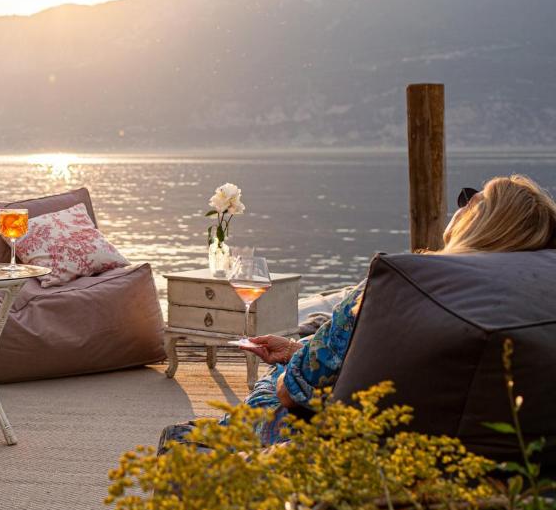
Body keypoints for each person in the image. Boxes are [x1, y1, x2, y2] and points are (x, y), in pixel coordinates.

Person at [162, 174, 556, 448]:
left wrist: (292, 368)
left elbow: (292, 393)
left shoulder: (397, 286)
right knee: (297, 359)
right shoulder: (534, 302)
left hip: (351, 444)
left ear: (480, 224)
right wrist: (303, 352)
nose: (462, 204)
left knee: (261, 390)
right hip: (488, 458)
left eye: (472, 200)